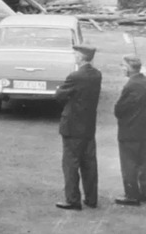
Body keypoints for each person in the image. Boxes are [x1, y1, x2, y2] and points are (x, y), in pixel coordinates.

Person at [54, 43, 102, 210]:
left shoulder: (75, 76)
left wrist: (61, 91)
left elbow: (60, 96)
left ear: (81, 57)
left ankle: (73, 199)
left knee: (71, 163)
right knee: (89, 163)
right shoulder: (97, 75)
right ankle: (91, 198)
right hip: (88, 126)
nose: (74, 56)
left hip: (73, 126)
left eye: (76, 54)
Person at [114, 54, 146, 206]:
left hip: (129, 131)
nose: (121, 68)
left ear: (128, 68)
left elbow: (120, 109)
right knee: (143, 162)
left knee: (129, 164)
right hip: (143, 130)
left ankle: (131, 194)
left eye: (122, 65)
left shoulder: (130, 86)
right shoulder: (144, 82)